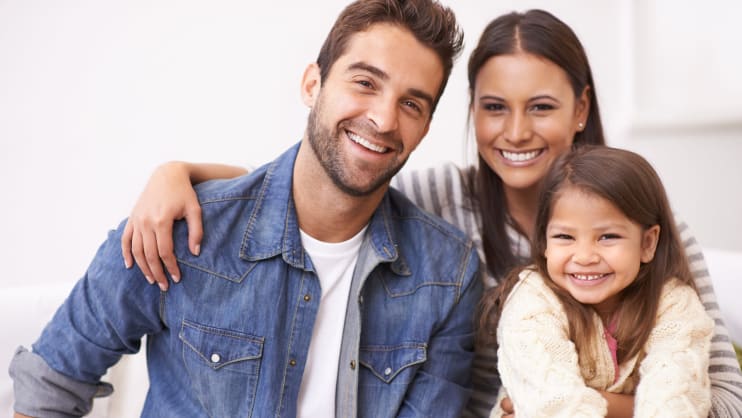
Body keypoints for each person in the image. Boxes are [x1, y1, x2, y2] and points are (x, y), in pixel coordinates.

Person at [120, 9, 742, 418]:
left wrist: (574, 405)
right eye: (494, 107)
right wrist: (183, 174)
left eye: (543, 107)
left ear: (581, 110)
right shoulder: (439, 199)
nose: (516, 131)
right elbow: (324, 190)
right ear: (471, 112)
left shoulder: (645, 232)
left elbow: (726, 399)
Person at [8, 1, 484, 417]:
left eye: (411, 104)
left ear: (424, 128)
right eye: (364, 82)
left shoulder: (447, 273)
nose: (383, 119)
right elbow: (48, 386)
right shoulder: (182, 229)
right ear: (312, 84)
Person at [482, 145, 714, 417]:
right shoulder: (531, 302)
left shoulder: (674, 304)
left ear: (648, 243)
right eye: (564, 237)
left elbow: (676, 402)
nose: (584, 257)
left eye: (608, 237)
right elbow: (557, 407)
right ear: (544, 242)